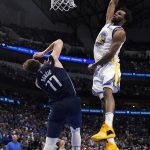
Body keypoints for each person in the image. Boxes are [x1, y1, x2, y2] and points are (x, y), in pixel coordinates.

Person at [88, 0, 132, 149]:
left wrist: (94, 65)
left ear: (124, 20)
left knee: (108, 92)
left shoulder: (119, 32)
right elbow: (112, 3)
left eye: (120, 14)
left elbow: (110, 53)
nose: (116, 14)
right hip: (99, 68)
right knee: (102, 101)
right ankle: (111, 143)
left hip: (109, 65)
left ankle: (107, 127)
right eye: (117, 12)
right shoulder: (108, 23)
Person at [23, 39, 81, 150]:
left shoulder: (37, 83)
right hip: (72, 101)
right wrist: (43, 53)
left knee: (49, 143)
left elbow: (43, 75)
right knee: (75, 130)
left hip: (57, 106)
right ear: (39, 61)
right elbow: (59, 42)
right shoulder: (53, 61)